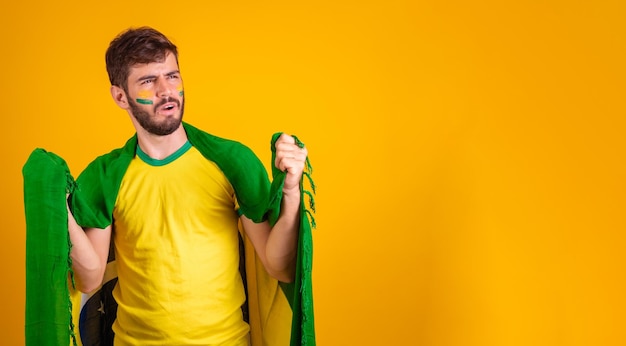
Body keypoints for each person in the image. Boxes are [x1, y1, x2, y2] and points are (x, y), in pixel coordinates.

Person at [66, 26, 309, 346]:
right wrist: (60, 208)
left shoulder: (230, 160)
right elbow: (89, 279)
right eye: (149, 81)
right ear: (120, 96)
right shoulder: (107, 175)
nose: (166, 90)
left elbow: (280, 267)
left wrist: (291, 191)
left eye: (173, 76)